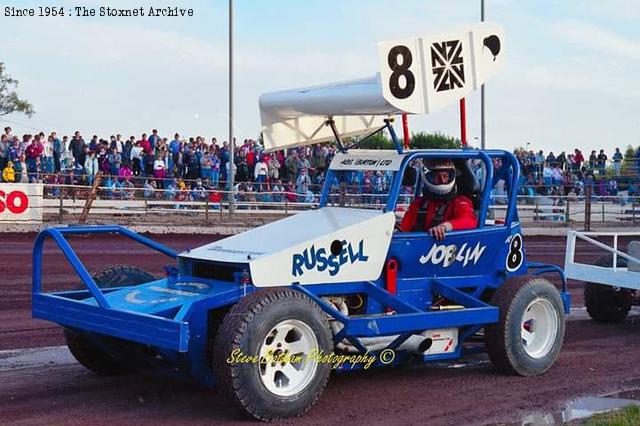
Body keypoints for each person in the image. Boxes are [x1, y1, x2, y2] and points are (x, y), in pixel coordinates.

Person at [399, 159, 477, 240]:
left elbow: (470, 221)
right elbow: (403, 230)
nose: (442, 180)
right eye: (437, 176)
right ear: (427, 177)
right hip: (418, 249)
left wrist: (445, 227)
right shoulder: (417, 204)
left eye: (445, 176)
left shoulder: (459, 202)